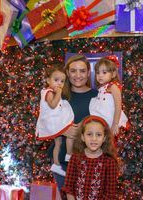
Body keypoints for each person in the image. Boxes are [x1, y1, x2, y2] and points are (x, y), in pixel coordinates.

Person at [48, 54, 98, 190]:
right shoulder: (58, 96)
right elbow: (44, 123)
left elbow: (107, 127)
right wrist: (63, 130)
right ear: (67, 73)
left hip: (90, 161)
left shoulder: (99, 96)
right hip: (61, 161)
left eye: (82, 71)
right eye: (73, 70)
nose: (78, 75)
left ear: (88, 73)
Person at [62, 115, 118, 199]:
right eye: (89, 134)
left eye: (98, 135)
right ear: (82, 137)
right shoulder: (75, 158)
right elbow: (69, 188)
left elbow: (110, 194)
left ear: (104, 138)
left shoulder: (109, 162)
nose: (94, 138)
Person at [35, 66, 74, 176]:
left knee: (58, 142)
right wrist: (58, 93)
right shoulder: (49, 92)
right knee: (70, 133)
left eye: (62, 81)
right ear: (48, 80)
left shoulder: (51, 91)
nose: (59, 83)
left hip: (55, 119)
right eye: (56, 80)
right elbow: (53, 105)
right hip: (53, 121)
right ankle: (69, 154)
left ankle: (56, 164)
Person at [89, 56, 128, 135]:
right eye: (97, 73)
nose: (100, 75)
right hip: (103, 118)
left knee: (111, 142)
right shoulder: (101, 88)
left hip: (111, 119)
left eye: (104, 72)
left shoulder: (113, 87)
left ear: (113, 74)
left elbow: (118, 106)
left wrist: (115, 123)